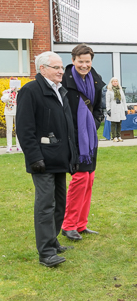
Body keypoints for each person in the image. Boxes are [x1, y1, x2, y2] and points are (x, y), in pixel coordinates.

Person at [16, 51, 78, 267]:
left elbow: (68, 127)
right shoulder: (30, 91)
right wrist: (34, 157)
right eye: (57, 67)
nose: (62, 71)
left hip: (60, 158)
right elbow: (24, 128)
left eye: (61, 67)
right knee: (45, 205)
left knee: (60, 202)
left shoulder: (61, 91)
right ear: (42, 69)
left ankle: (53, 241)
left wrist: (73, 155)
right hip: (42, 160)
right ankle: (46, 253)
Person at [61, 44, 105, 241]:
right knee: (79, 179)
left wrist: (93, 125)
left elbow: (99, 109)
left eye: (88, 61)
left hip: (89, 138)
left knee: (89, 180)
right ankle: (68, 225)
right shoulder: (63, 80)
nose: (84, 65)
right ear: (73, 61)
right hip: (72, 137)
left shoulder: (96, 81)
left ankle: (81, 224)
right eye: (81, 61)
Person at [2, 78, 22, 152]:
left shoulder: (19, 92)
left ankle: (19, 146)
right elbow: (4, 99)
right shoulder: (7, 91)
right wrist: (11, 91)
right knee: (9, 129)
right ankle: (9, 146)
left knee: (18, 129)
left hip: (17, 111)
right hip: (8, 111)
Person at [105, 77, 127, 142]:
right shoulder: (109, 91)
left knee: (119, 123)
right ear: (111, 83)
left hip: (120, 108)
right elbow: (107, 101)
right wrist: (108, 109)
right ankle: (114, 137)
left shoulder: (120, 90)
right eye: (114, 81)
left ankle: (119, 136)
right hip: (113, 108)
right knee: (113, 123)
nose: (115, 83)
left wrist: (125, 109)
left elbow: (123, 100)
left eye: (116, 81)